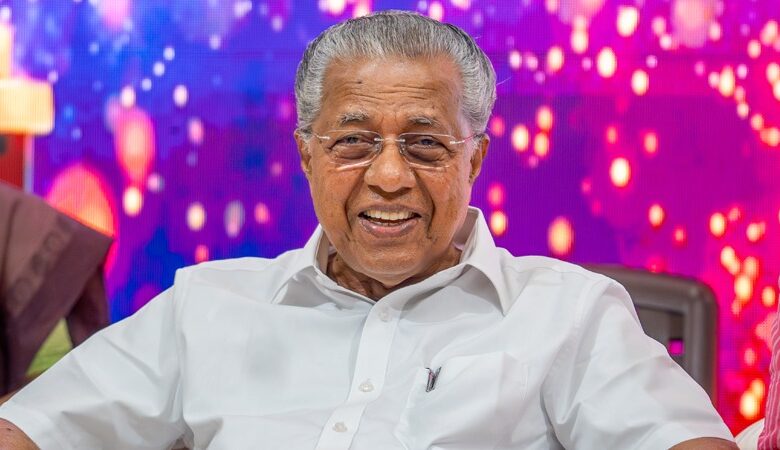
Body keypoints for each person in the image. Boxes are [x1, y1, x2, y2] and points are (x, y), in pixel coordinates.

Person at [0, 10, 736, 449]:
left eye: (425, 144)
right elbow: (34, 429)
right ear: (306, 155)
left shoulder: (570, 314)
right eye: (353, 142)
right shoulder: (206, 306)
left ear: (475, 159)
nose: (388, 176)